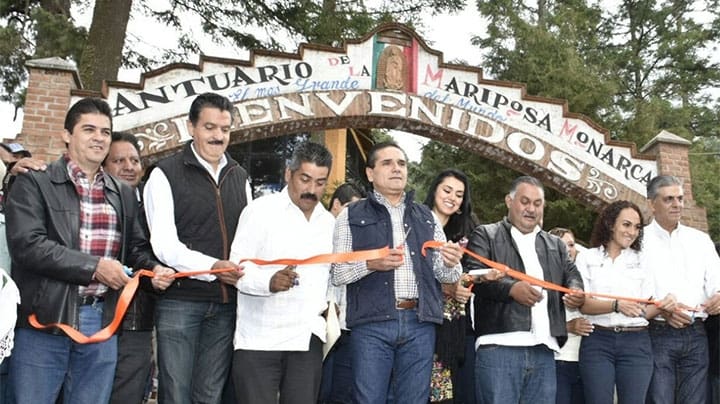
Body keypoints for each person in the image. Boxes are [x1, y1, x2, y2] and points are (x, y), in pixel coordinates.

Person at [4, 97, 172, 403]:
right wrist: (94, 267)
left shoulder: (123, 193)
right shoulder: (35, 182)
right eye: (89, 129)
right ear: (67, 135)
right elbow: (28, 246)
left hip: (101, 321)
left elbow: (134, 251)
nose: (99, 138)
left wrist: (153, 271)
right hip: (43, 320)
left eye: (105, 132)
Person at [331, 141, 463, 404]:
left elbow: (447, 275)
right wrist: (371, 265)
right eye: (387, 163)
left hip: (420, 323)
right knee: (368, 400)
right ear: (370, 173)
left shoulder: (426, 216)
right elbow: (337, 273)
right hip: (371, 324)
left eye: (401, 163)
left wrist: (451, 263)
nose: (396, 169)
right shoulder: (350, 215)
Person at [143, 92, 251, 404]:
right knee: (175, 395)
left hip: (227, 304)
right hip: (181, 302)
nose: (218, 136)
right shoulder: (164, 174)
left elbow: (248, 240)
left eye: (225, 129)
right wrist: (213, 268)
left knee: (209, 396)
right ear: (191, 127)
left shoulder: (240, 176)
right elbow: (164, 245)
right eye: (209, 127)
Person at [463, 175, 585, 404]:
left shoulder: (556, 245)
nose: (531, 209)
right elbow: (474, 274)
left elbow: (572, 274)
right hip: (499, 346)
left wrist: (575, 291)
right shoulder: (486, 234)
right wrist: (511, 289)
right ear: (509, 201)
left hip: (545, 349)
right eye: (525, 201)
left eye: (537, 204)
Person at [229, 142, 335, 404]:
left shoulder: (329, 223)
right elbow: (236, 268)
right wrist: (269, 282)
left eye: (320, 183)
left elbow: (333, 276)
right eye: (305, 179)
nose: (311, 190)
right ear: (289, 174)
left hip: (307, 339)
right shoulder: (259, 212)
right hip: (259, 339)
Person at [576, 201, 676, 404]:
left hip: (636, 342)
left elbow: (645, 310)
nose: (632, 232)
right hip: (597, 340)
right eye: (626, 224)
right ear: (610, 224)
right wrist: (617, 305)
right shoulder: (586, 257)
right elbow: (584, 304)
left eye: (637, 227)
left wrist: (663, 307)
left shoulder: (644, 260)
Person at [641, 175, 720, 404]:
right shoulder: (639, 241)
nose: (677, 204)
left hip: (697, 333)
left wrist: (718, 296)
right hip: (657, 332)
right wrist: (660, 308)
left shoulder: (700, 240)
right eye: (669, 199)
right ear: (651, 204)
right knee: (659, 400)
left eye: (680, 198)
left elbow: (716, 279)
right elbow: (633, 286)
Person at [102, 131, 155, 404]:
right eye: (119, 160)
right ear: (103, 165)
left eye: (134, 160)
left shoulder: (155, 207)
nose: (129, 167)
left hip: (136, 319)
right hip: (93, 317)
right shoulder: (89, 204)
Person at [423, 169, 482, 404]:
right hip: (420, 322)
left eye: (459, 195)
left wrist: (470, 281)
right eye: (447, 190)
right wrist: (447, 287)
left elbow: (470, 273)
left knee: (447, 393)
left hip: (454, 328)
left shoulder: (468, 233)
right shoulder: (416, 224)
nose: (452, 198)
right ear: (434, 191)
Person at [319, 182, 365, 404]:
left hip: (345, 324)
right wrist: (329, 302)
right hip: (320, 319)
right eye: (349, 208)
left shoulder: (354, 233)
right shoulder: (322, 227)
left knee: (339, 389)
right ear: (336, 204)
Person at [548, 227, 590, 404]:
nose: (568, 250)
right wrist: (568, 327)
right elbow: (531, 322)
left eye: (571, 245)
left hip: (587, 361)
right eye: (562, 245)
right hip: (558, 360)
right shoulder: (543, 280)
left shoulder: (586, 275)